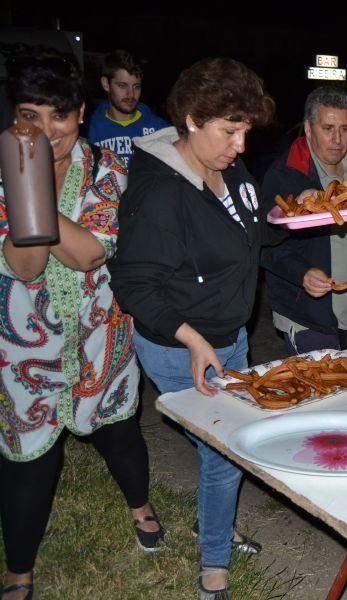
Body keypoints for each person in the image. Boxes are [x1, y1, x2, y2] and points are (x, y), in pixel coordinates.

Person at [108, 57, 275, 600]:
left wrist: (302, 260)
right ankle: (214, 566)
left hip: (230, 334)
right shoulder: (160, 192)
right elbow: (134, 286)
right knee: (224, 447)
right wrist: (196, 341)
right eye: (231, 130)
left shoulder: (229, 171)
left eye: (247, 130)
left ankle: (214, 525)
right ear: (192, 119)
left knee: (222, 443)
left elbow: (252, 242)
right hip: (177, 341)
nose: (241, 144)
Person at [0, 52, 161, 600]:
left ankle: (140, 505)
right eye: (29, 116)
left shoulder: (110, 170)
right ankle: (18, 568)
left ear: (79, 114)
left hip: (101, 337)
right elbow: (24, 265)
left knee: (120, 432)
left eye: (59, 117)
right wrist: (24, 183)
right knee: (27, 459)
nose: (45, 132)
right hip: (28, 343)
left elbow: (90, 253)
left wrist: (30, 191)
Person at [260, 86, 347, 354]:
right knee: (322, 393)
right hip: (305, 312)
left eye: (345, 129)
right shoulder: (286, 174)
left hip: (344, 306)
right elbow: (262, 244)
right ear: (309, 129)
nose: (337, 139)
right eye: (328, 128)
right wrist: (302, 274)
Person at [86, 49, 167, 167]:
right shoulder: (89, 130)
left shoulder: (160, 129)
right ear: (105, 84)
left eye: (136, 87)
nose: (131, 94)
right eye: (122, 86)